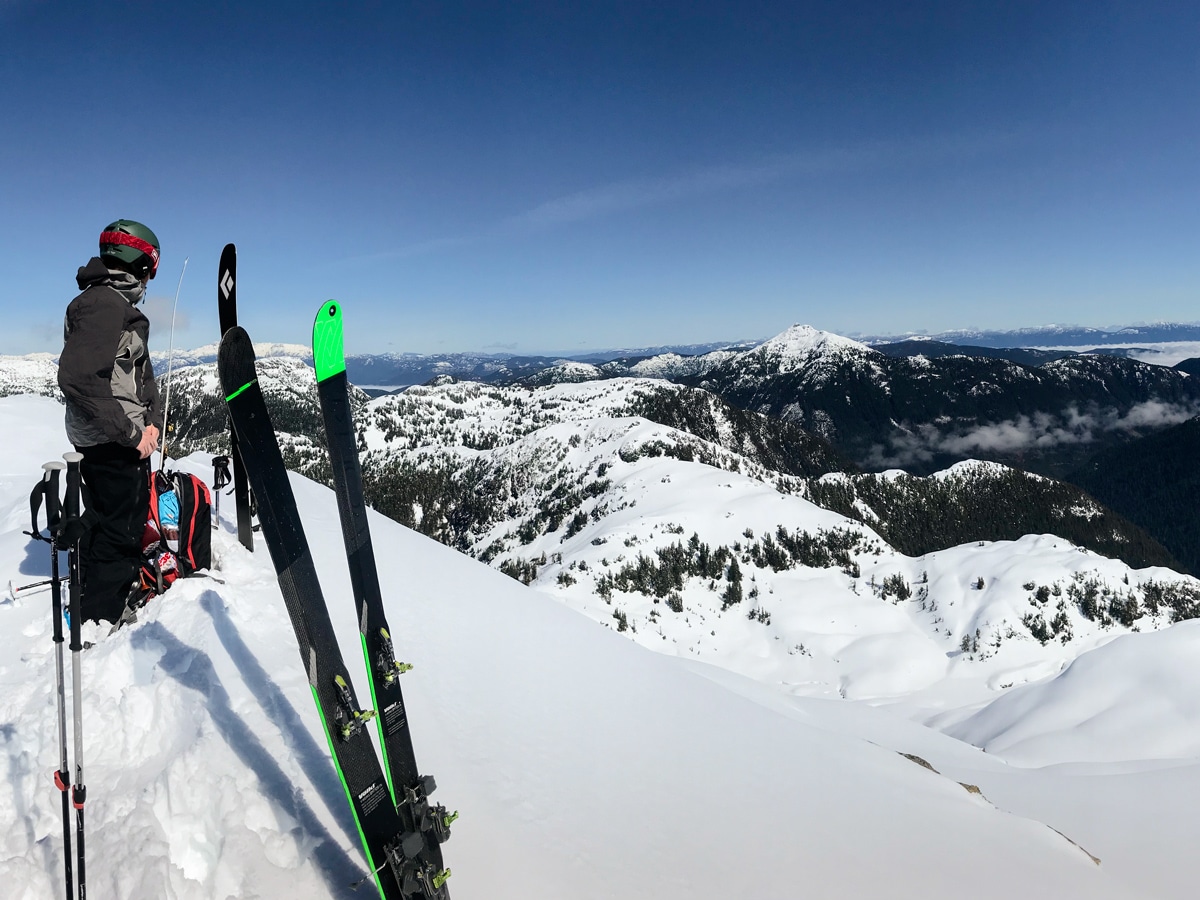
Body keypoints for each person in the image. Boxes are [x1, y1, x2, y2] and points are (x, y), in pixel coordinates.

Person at [57, 220, 164, 624]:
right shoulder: (103, 304)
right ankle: (100, 615)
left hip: (117, 435)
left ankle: (93, 589)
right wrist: (132, 435)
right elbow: (79, 378)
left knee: (109, 515)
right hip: (112, 440)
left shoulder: (113, 305)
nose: (148, 281)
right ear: (137, 263)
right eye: (149, 271)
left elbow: (140, 378)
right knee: (122, 527)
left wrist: (151, 422)